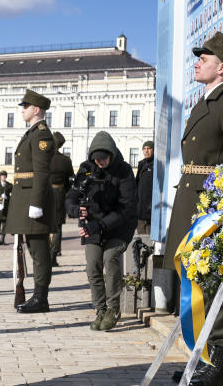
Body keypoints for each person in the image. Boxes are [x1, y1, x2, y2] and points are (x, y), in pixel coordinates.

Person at [162, 32, 223, 386]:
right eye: (198, 57)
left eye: (205, 58)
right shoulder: (206, 103)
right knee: (197, 282)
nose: (197, 61)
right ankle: (201, 356)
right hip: (192, 199)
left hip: (211, 208)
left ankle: (219, 362)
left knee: (216, 280)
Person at [67, 132, 137, 332]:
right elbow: (72, 195)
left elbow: (126, 208)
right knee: (92, 266)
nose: (100, 162)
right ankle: (100, 308)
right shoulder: (87, 168)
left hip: (119, 226)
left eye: (104, 158)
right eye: (96, 159)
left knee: (110, 258)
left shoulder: (123, 171)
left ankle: (113, 309)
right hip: (93, 226)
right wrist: (73, 209)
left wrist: (100, 224)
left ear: (112, 155)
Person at [7, 89, 58, 313]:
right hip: (25, 199)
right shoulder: (32, 133)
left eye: (25, 106)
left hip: (33, 201)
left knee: (39, 251)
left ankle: (41, 298)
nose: (22, 110)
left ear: (36, 110)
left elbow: (42, 171)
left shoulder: (41, 135)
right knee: (32, 248)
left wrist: (36, 203)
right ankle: (38, 296)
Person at [48, 131, 74, 266]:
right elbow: (71, 180)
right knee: (57, 227)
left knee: (44, 225)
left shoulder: (44, 158)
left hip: (44, 194)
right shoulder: (65, 160)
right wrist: (65, 192)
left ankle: (44, 256)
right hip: (59, 195)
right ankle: (53, 257)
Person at [134, 140, 154, 239]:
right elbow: (137, 183)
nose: (146, 151)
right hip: (140, 207)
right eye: (144, 149)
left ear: (153, 150)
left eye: (149, 148)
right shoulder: (141, 164)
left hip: (151, 207)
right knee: (141, 237)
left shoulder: (156, 165)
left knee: (150, 238)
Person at [0, 171, 12, 245]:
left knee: (4, 226)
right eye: (2, 176)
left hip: (6, 208)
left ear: (6, 177)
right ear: (0, 177)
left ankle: (2, 240)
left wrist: (8, 198)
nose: (3, 177)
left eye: (4, 176)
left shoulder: (10, 185)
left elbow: (13, 195)